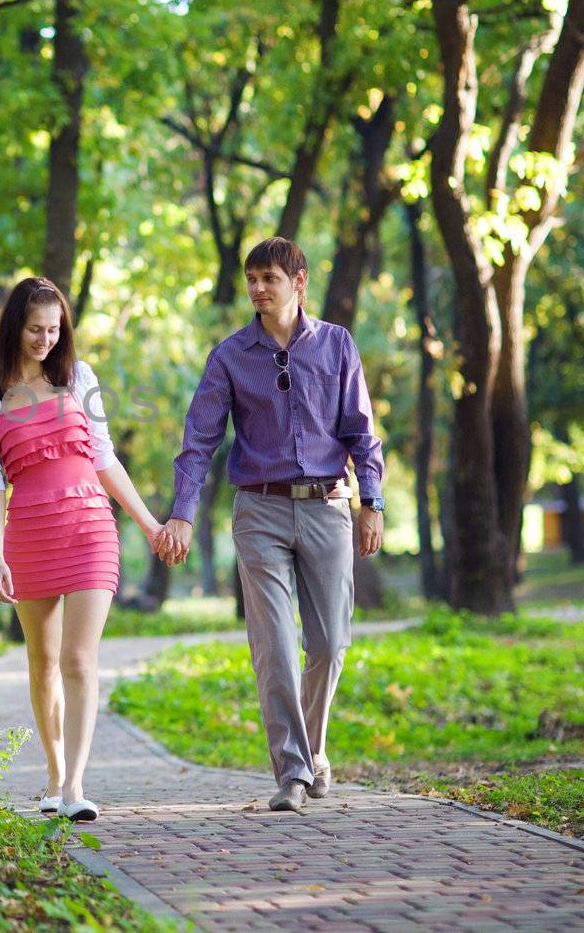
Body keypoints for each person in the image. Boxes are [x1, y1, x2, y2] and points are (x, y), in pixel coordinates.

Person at [157, 237, 384, 813]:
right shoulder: (230, 356)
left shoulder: (335, 344)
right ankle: (293, 771)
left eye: (270, 278)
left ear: (298, 281)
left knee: (330, 645)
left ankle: (313, 751)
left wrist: (371, 501)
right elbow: (199, 442)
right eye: (252, 278)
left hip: (328, 506)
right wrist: (182, 513)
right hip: (259, 511)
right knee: (276, 646)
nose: (258, 288)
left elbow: (360, 429)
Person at [0, 277, 166, 822]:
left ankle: (75, 785)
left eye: (54, 329)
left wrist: (147, 523)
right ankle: (53, 772)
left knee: (79, 659)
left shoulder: (80, 380)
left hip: (90, 528)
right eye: (35, 330)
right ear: (13, 329)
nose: (46, 340)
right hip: (28, 532)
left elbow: (105, 460)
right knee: (43, 661)